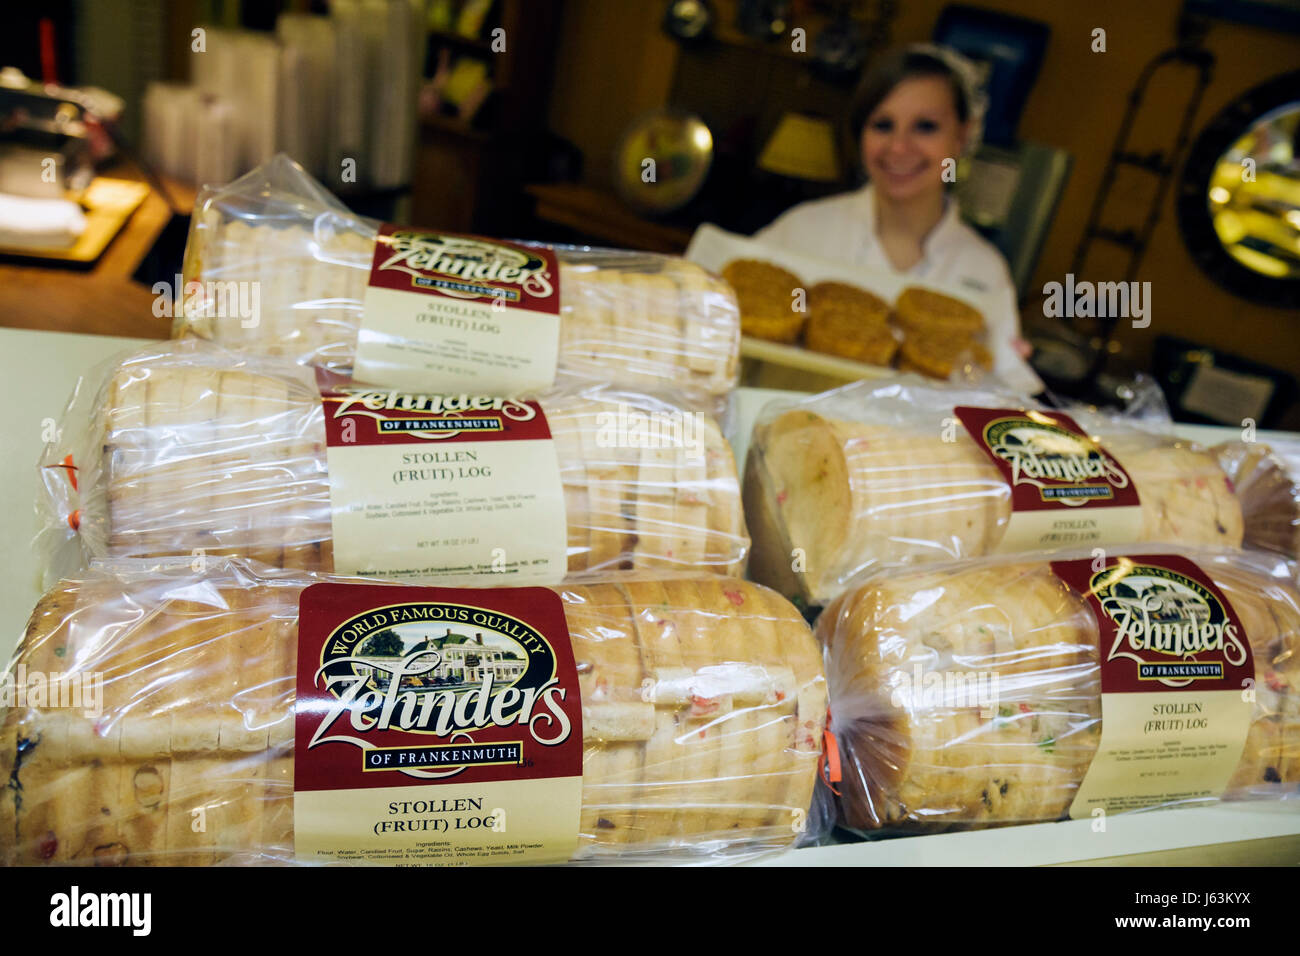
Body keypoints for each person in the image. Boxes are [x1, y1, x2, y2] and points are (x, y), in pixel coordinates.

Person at [754, 44, 1027, 359]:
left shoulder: (984, 271)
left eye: (925, 126)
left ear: (962, 137)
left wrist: (1001, 378)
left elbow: (989, 388)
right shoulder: (801, 231)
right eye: (882, 125)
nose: (899, 147)